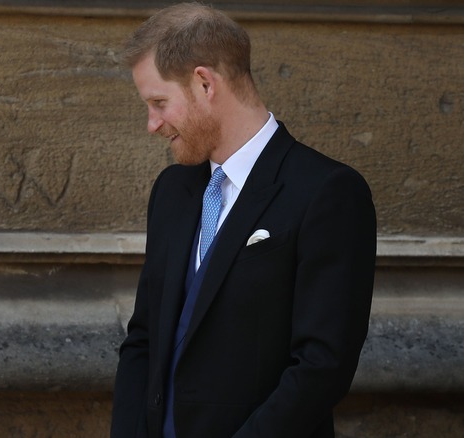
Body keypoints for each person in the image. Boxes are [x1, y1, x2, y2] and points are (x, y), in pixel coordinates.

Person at [111, 4, 376, 438]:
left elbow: (321, 366)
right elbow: (143, 339)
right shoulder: (171, 192)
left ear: (204, 83)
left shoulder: (327, 192)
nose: (151, 124)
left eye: (159, 103)